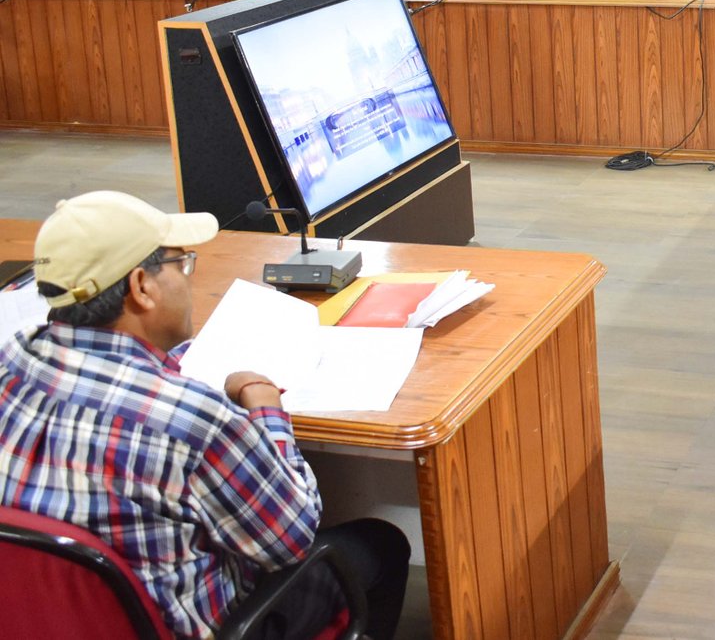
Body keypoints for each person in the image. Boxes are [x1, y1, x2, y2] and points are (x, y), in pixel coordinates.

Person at [0, 191, 410, 639]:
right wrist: (265, 406)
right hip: (200, 625)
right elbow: (291, 536)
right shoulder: (191, 421)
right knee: (380, 544)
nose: (187, 278)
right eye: (182, 264)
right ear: (142, 286)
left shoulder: (11, 361)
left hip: (46, 616)